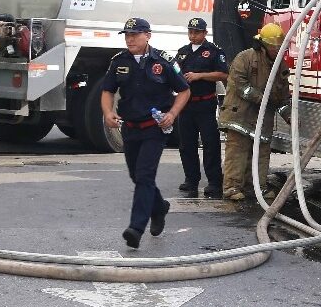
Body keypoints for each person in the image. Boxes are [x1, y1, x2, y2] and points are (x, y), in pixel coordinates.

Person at [101, 17, 189, 249]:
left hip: (154, 129)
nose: (130, 39)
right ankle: (159, 207)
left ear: (147, 35)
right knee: (136, 176)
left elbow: (184, 90)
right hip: (130, 128)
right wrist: (107, 112)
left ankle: (136, 228)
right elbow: (107, 90)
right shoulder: (118, 61)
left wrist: (172, 114)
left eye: (135, 34)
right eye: (127, 35)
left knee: (144, 175)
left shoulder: (164, 61)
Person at [219, 23, 290, 202]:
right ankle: (232, 187)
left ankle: (256, 187)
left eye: (279, 46)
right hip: (240, 115)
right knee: (238, 152)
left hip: (262, 118)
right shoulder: (245, 58)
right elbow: (239, 84)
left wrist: (289, 115)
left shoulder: (280, 66)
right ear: (263, 44)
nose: (277, 49)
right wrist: (262, 98)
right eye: (274, 46)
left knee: (261, 154)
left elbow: (281, 96)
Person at [174, 17, 228, 199]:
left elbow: (223, 74)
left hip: (205, 104)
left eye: (196, 32)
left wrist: (200, 76)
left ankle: (214, 182)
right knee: (186, 144)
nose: (193, 35)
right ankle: (191, 179)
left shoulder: (214, 52)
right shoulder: (182, 52)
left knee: (210, 143)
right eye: (190, 32)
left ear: (205, 33)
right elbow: (174, 73)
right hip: (186, 105)